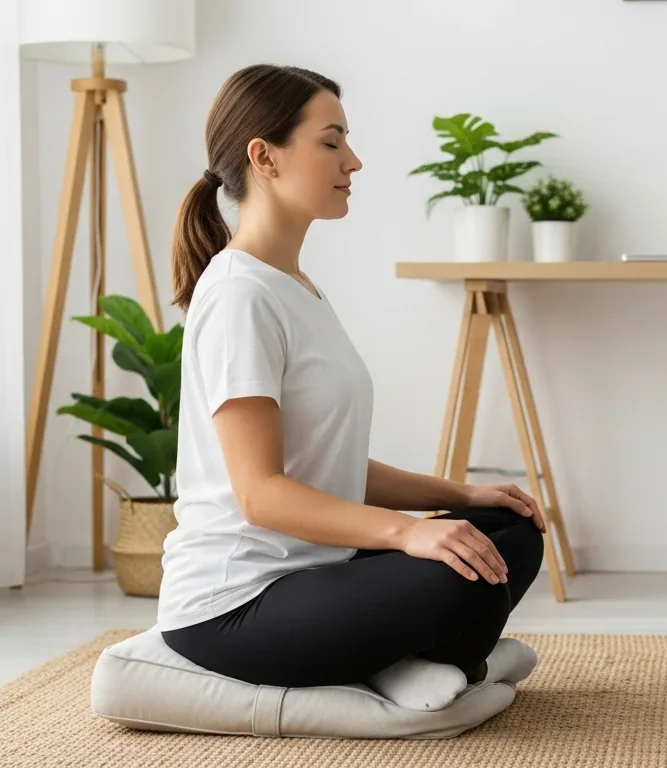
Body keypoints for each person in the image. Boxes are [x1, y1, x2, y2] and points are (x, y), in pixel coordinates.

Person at [154, 63, 545, 702]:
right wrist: (407, 531)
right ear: (265, 157)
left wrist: (463, 496)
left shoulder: (295, 287)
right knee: (451, 576)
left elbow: (330, 468)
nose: (354, 161)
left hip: (318, 569)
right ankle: (433, 661)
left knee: (509, 534)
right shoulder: (238, 296)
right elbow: (262, 496)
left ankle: (417, 658)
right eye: (331, 141)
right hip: (235, 605)